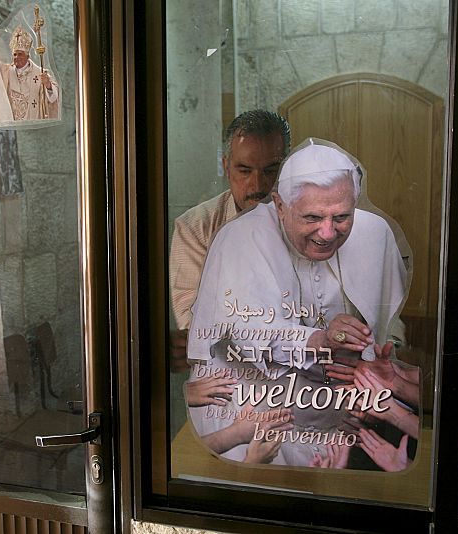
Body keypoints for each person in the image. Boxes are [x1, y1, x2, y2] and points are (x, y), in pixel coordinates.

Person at [185, 139, 409, 466]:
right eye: (313, 217)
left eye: (342, 216)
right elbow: (247, 332)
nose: (328, 232)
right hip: (252, 412)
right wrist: (321, 339)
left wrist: (373, 360)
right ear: (279, 206)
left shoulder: (375, 233)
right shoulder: (241, 239)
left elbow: (391, 321)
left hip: (334, 418)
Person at [169, 110, 291, 370]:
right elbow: (197, 330)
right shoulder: (196, 227)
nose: (258, 185)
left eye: (271, 170)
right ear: (226, 167)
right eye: (244, 170)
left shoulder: (317, 224)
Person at [0, 27, 60, 123]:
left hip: (33, 122)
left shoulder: (41, 73)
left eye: (20, 54)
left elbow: (53, 97)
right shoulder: (6, 71)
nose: (17, 57)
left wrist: (48, 85)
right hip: (12, 124)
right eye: (15, 54)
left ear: (28, 56)